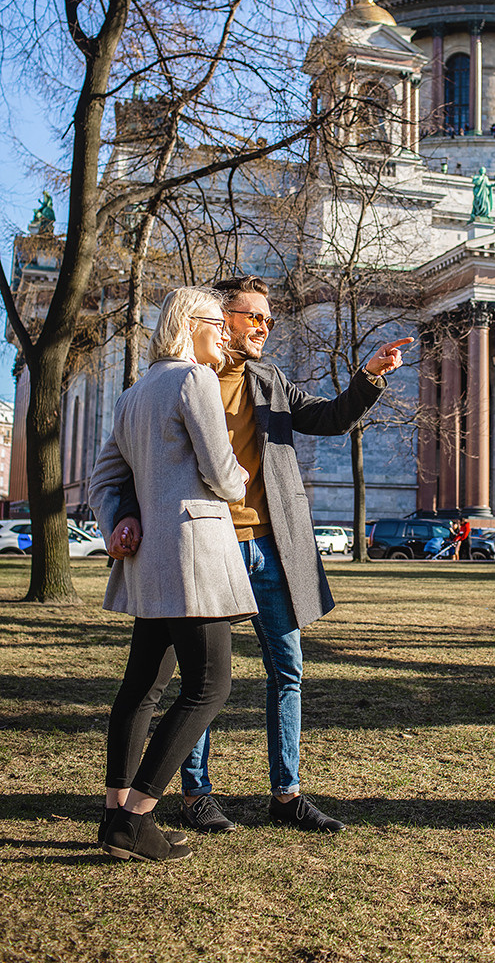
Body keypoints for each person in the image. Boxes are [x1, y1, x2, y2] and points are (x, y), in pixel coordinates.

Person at [109, 274, 411, 835]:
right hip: (205, 548)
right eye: (254, 317)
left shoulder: (269, 379)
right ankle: (196, 794)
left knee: (286, 670)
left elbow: (328, 417)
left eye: (269, 320)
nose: (265, 327)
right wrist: (126, 512)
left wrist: (369, 376)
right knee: (200, 681)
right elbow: (136, 462)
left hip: (271, 545)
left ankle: (286, 794)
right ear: (218, 318)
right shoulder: (181, 379)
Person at [89, 287, 258, 862]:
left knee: (141, 689)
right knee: (209, 687)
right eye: (218, 323)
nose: (227, 334)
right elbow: (220, 472)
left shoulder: (133, 393)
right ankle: (137, 818)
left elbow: (104, 480)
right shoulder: (195, 379)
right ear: (189, 324)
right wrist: (240, 481)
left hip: (151, 563)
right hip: (194, 556)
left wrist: (120, 520)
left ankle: (114, 814)